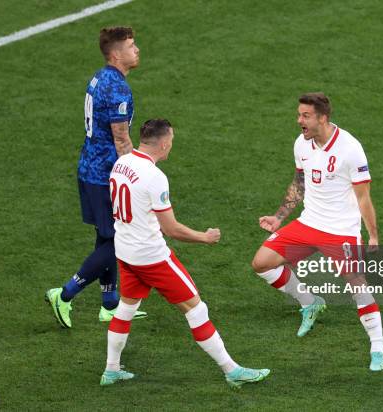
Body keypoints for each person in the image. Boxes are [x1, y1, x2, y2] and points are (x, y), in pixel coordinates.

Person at [100, 119, 270, 388]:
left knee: (126, 307)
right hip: (151, 256)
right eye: (172, 143)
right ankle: (232, 370)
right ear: (164, 143)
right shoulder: (154, 177)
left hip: (125, 250)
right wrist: (205, 237)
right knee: (196, 309)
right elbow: (171, 229)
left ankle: (111, 369)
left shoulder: (121, 163)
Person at [251, 93, 383, 371]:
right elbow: (299, 183)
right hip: (309, 223)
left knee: (358, 285)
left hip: (340, 231)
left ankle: (377, 347)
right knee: (262, 264)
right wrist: (279, 217)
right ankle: (310, 302)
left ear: (322, 118)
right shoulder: (301, 143)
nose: (299, 120)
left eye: (305, 115)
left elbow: (363, 198)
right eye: (299, 114)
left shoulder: (350, 149)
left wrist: (372, 235)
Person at [46, 26, 146, 328]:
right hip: (105, 176)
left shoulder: (99, 77)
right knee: (119, 241)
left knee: (106, 236)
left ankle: (110, 304)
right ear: (116, 55)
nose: (137, 49)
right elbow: (121, 139)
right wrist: (135, 174)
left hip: (89, 167)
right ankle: (65, 294)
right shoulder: (117, 88)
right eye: (131, 46)